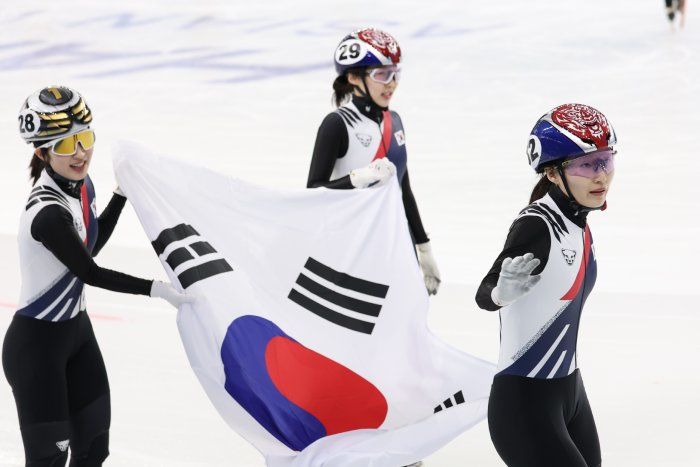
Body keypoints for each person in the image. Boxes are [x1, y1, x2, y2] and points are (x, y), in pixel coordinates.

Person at [2, 86, 192, 467]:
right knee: (48, 462)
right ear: (41, 153)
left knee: (93, 451)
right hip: (36, 347)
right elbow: (88, 271)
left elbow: (89, 247)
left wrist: (120, 195)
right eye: (66, 145)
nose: (80, 153)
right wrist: (155, 289)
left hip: (77, 335)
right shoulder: (47, 213)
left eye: (84, 139)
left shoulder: (82, 187)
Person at [475, 103, 617, 467]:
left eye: (605, 160)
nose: (600, 175)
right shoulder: (538, 224)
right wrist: (500, 292)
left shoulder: (580, 223)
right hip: (524, 403)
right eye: (586, 165)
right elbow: (484, 292)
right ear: (553, 174)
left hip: (570, 393)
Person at [307, 27, 440, 296]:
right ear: (354, 77)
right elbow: (313, 193)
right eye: (382, 75)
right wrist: (355, 179)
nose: (391, 83)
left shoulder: (396, 121)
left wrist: (423, 247)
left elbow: (405, 191)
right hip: (350, 254)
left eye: (395, 73)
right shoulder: (337, 124)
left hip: (395, 249)